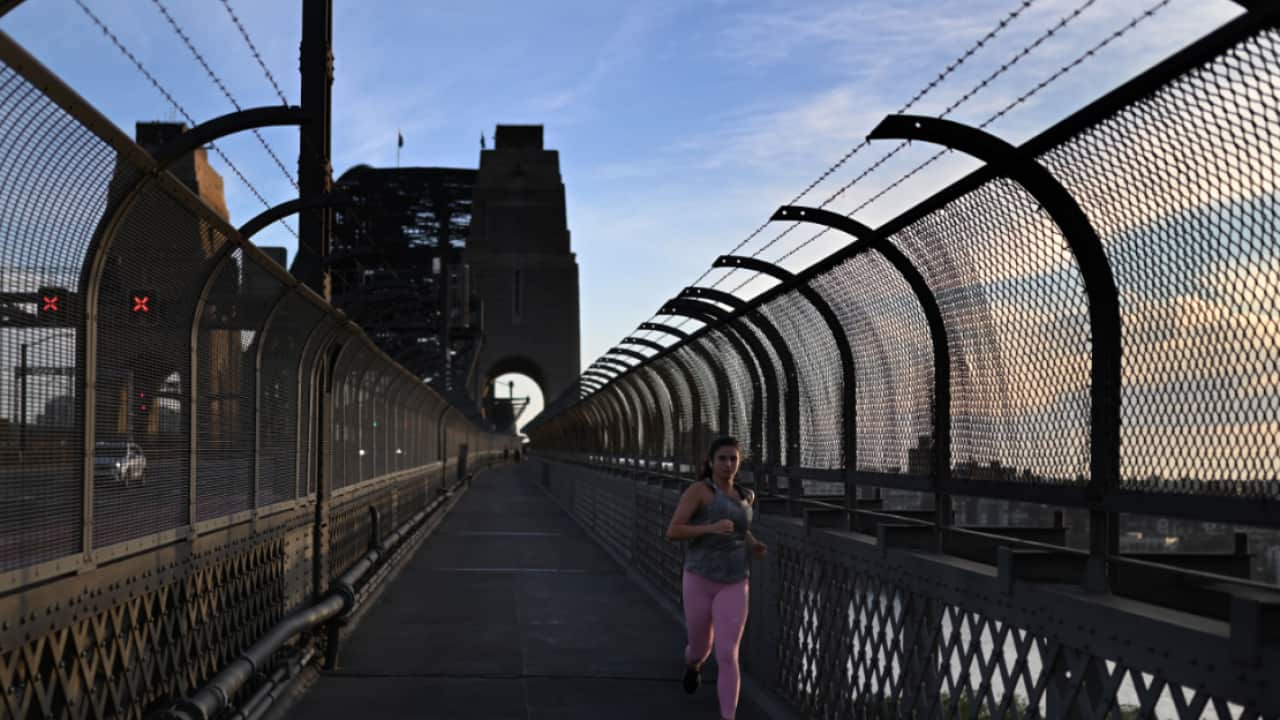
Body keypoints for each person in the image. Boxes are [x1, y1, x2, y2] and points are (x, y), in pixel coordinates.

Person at [665, 437, 767, 720]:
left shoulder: (747, 496)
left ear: (739, 462)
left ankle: (727, 716)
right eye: (722, 458)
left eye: (733, 459)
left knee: (727, 652)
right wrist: (709, 528)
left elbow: (738, 530)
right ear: (710, 462)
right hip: (699, 577)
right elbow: (673, 531)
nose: (728, 464)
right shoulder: (699, 491)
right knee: (699, 648)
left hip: (735, 581)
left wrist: (753, 544)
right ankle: (693, 666)